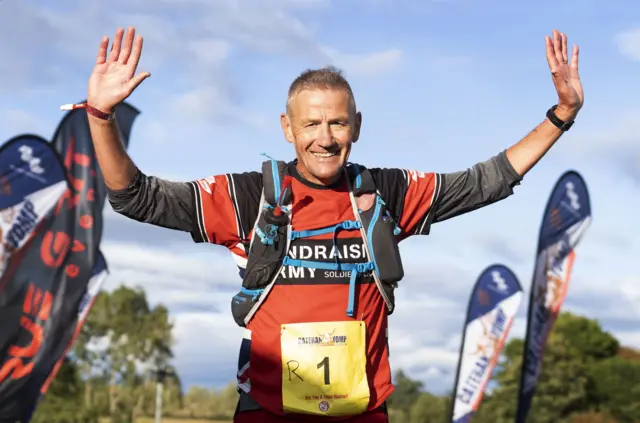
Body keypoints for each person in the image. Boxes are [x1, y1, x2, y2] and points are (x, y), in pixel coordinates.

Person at [85, 26, 583, 423]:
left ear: (357, 126)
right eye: (310, 124)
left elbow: (486, 181)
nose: (324, 138)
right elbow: (136, 198)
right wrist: (101, 116)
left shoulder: (383, 193)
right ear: (287, 129)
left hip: (363, 412)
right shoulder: (249, 197)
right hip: (269, 413)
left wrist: (561, 115)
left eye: (337, 123)